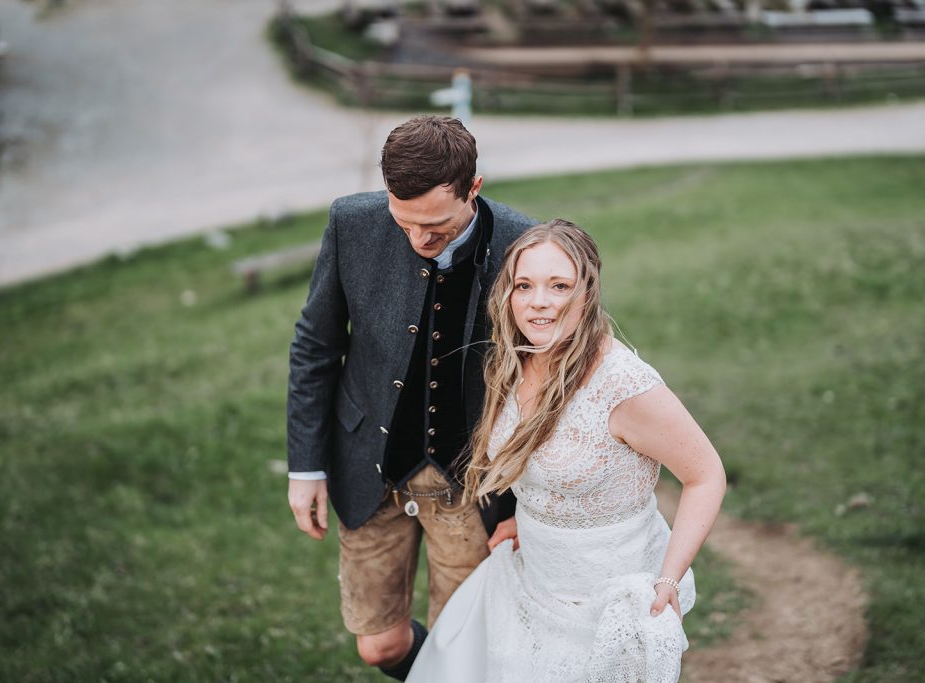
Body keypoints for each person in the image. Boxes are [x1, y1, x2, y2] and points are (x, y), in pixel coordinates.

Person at [407, 219, 727, 682]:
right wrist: (529, 509)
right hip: (532, 583)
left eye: (558, 285)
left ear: (587, 293)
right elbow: (534, 456)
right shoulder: (516, 359)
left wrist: (668, 579)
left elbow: (706, 474)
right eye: (524, 285)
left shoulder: (624, 386)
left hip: (605, 599)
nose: (538, 302)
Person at [286, 115, 534, 680]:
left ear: (473, 189)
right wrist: (305, 468)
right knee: (380, 646)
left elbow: (541, 385)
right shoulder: (351, 223)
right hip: (366, 470)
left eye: (437, 225)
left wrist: (521, 509)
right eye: (405, 223)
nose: (419, 240)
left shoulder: (525, 243)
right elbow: (314, 348)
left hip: (471, 484)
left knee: (466, 652)